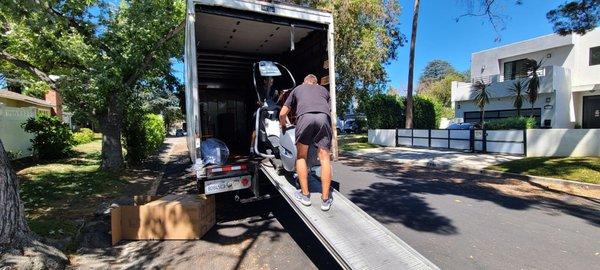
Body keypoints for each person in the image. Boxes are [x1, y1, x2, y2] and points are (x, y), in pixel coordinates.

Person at [279, 74, 333, 211]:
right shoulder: (323, 90)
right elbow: (329, 109)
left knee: (301, 157)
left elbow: (282, 113)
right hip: (323, 118)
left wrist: (283, 125)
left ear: (305, 82)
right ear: (315, 83)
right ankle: (325, 199)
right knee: (325, 159)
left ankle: (305, 196)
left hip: (304, 118)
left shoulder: (298, 89)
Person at [250, 77, 278, 155]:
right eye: (269, 82)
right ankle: (252, 148)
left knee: (273, 128)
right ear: (265, 81)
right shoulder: (259, 90)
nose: (270, 84)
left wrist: (281, 95)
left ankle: (272, 147)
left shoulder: (273, 91)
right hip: (261, 112)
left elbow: (275, 102)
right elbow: (258, 101)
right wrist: (261, 104)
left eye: (272, 82)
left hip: (270, 112)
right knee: (255, 129)